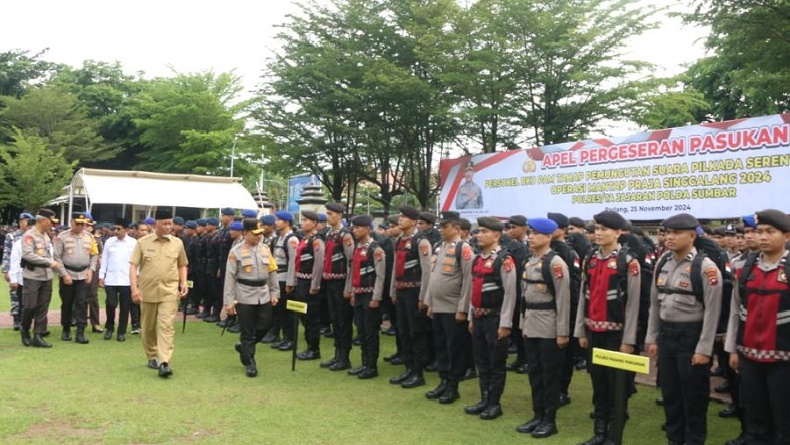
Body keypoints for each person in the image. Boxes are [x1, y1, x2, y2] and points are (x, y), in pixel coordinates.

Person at [645, 213, 722, 445]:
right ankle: (674, 438)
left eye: (676, 233)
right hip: (667, 336)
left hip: (692, 339)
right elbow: (654, 304)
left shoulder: (706, 268)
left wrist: (704, 349)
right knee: (670, 394)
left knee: (694, 397)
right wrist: (652, 338)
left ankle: (694, 440)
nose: (669, 237)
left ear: (692, 236)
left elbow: (712, 312)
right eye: (667, 232)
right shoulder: (663, 262)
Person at [575, 210, 641, 445]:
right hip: (593, 332)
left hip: (617, 334)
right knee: (599, 383)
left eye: (604, 229)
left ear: (618, 232)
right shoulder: (590, 258)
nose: (599, 233)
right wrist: (581, 331)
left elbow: (633, 304)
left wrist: (629, 339)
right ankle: (600, 431)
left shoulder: (628, 261)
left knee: (617, 385)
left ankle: (614, 434)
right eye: (597, 229)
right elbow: (584, 296)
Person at [726, 209, 790, 444]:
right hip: (749, 358)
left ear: (787, 236)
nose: (762, 236)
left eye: (769, 232)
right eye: (758, 231)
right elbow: (736, 310)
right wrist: (733, 348)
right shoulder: (745, 268)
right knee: (755, 421)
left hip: (783, 361)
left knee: (784, 422)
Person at [516, 217, 571, 439]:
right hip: (531, 323)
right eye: (530, 233)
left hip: (549, 325)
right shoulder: (529, 262)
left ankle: (550, 420)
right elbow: (524, 297)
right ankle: (537, 415)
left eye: (536, 233)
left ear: (548, 236)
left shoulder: (556, 263)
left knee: (550, 376)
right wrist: (522, 324)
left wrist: (562, 332)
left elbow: (564, 300)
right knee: (535, 373)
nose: (531, 237)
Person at [463, 216, 517, 421]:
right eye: (478, 231)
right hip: (478, 317)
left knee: (496, 363)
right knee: (482, 361)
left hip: (495, 319)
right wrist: (470, 316)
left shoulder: (504, 260)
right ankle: (484, 398)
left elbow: (510, 294)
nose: (479, 235)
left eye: (484, 231)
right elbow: (473, 290)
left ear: (496, 235)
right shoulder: (478, 259)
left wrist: (505, 324)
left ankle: (495, 403)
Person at [129, 209, 189, 378]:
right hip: (147, 292)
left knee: (166, 326)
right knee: (148, 327)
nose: (169, 227)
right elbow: (133, 266)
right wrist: (134, 288)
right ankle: (152, 355)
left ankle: (164, 362)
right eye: (165, 224)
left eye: (170, 223)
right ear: (156, 224)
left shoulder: (177, 243)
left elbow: (182, 264)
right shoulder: (142, 243)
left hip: (169, 292)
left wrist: (183, 283)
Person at [424, 211, 473, 403]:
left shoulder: (464, 248)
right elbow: (433, 276)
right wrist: (430, 302)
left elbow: (469, 280)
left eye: (445, 226)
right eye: (441, 226)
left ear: (457, 228)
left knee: (455, 349)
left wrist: (463, 308)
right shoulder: (439, 247)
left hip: (454, 308)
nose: (441, 230)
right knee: (442, 347)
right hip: (438, 307)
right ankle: (443, 381)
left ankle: (453, 386)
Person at [224, 218, 280, 377]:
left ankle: (245, 347)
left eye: (261, 233)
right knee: (247, 331)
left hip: (263, 294)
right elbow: (230, 277)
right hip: (244, 295)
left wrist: (274, 292)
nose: (259, 237)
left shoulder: (265, 249)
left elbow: (272, 272)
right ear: (246, 233)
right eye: (255, 234)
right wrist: (229, 302)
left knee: (266, 323)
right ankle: (249, 361)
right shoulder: (235, 251)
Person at [388, 205, 433, 388]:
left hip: (415, 292)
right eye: (400, 216)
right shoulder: (399, 240)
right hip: (401, 291)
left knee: (417, 333)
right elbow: (395, 269)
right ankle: (408, 368)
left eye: (404, 217)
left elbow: (427, 271)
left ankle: (418, 372)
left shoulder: (421, 242)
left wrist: (424, 297)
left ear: (414, 221)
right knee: (404, 331)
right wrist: (392, 290)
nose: (400, 219)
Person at [345, 215, 386, 379]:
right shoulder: (357, 248)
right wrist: (353, 292)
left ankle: (371, 366)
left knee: (370, 332)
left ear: (368, 229)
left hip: (370, 295)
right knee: (361, 331)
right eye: (354, 228)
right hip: (360, 294)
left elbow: (380, 276)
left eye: (359, 228)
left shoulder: (376, 249)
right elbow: (354, 273)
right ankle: (364, 363)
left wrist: (376, 298)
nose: (355, 230)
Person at [53, 213, 99, 344]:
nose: (80, 226)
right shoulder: (62, 237)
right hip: (67, 273)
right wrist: (64, 274)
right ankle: (66, 329)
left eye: (82, 224)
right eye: (77, 223)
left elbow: (94, 255)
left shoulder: (89, 237)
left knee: (82, 303)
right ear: (71, 222)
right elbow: (57, 257)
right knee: (67, 303)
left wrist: (91, 270)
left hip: (83, 274)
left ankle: (80, 332)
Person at [321, 202, 355, 371]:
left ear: (340, 215)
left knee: (343, 320)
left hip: (342, 282)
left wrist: (348, 287)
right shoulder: (329, 233)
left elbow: (351, 262)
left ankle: (344, 357)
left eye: (331, 214)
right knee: (335, 319)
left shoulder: (345, 235)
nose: (328, 216)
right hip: (330, 282)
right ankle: (337, 353)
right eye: (327, 213)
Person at [20, 209, 60, 348]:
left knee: (43, 307)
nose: (52, 225)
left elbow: (49, 253)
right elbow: (28, 255)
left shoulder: (46, 235)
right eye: (51, 222)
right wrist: (48, 262)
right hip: (32, 276)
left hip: (46, 277)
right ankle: (24, 329)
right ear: (43, 221)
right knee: (30, 306)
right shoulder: (29, 236)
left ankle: (38, 334)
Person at [99, 218, 137, 342]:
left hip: (126, 279)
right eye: (114, 228)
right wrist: (101, 275)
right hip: (111, 278)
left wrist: (137, 277)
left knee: (125, 307)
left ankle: (121, 331)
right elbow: (104, 259)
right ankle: (109, 328)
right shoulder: (110, 241)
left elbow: (137, 263)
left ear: (126, 230)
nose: (116, 231)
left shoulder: (133, 243)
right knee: (110, 304)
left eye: (119, 229)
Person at [293, 211, 325, 360]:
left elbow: (319, 264)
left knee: (311, 317)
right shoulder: (304, 239)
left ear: (314, 223)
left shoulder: (316, 240)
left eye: (306, 220)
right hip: (301, 281)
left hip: (310, 282)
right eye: (302, 220)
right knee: (303, 316)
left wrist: (315, 284)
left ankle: (314, 349)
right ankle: (308, 346)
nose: (302, 222)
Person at [267, 211, 299, 351]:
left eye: (279, 220)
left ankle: (290, 339)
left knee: (287, 312)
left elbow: (293, 262)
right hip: (277, 278)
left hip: (285, 278)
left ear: (286, 222)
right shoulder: (278, 239)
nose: (276, 223)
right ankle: (282, 336)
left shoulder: (291, 240)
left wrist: (290, 282)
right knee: (279, 310)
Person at [3, 212, 32, 330]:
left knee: (28, 295)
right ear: (20, 222)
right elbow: (7, 253)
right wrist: (6, 271)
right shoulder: (12, 236)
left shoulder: (33, 235)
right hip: (16, 269)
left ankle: (26, 319)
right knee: (15, 294)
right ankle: (17, 318)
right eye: (26, 221)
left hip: (29, 270)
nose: (28, 223)